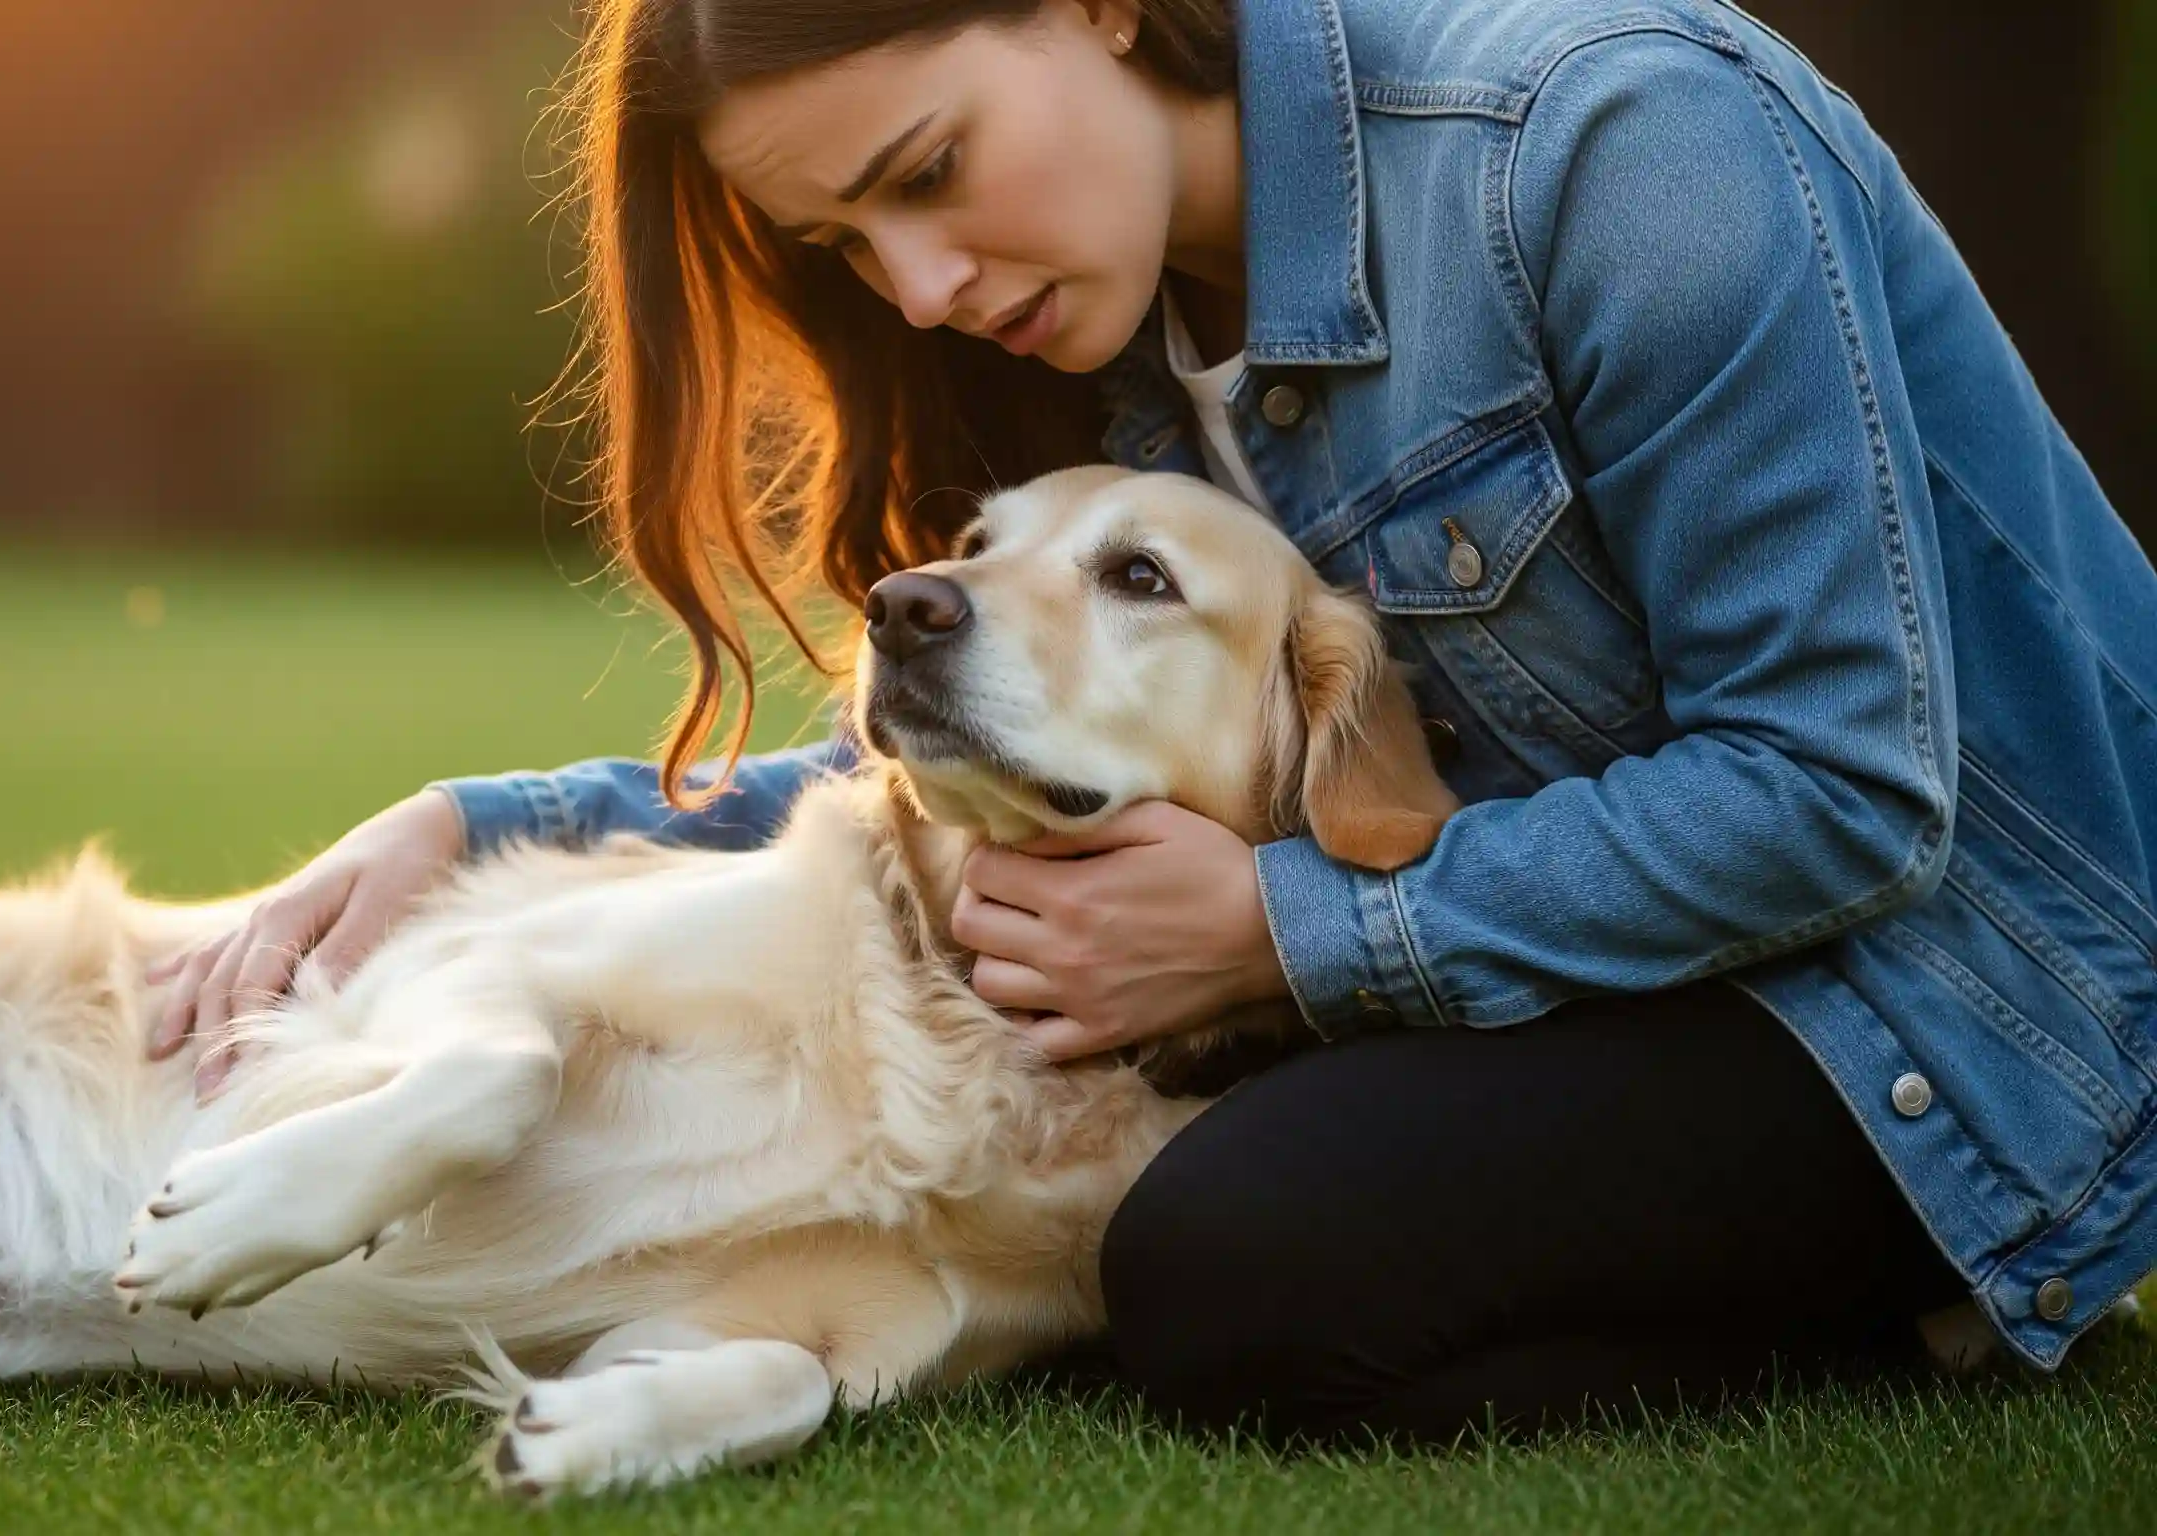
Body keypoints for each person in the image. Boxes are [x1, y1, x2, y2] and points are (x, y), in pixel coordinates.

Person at [146, 0, 2156, 1445]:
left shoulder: (1621, 143)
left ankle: (1896, 1301)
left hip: (1950, 998)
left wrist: (1286, 929)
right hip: (1579, 951)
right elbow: (986, 756)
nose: (919, 286)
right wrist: (481, 820)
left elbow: (1837, 789)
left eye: (923, 175)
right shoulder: (1115, 336)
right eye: (849, 246)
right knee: (1148, 1229)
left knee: (1224, 1268)